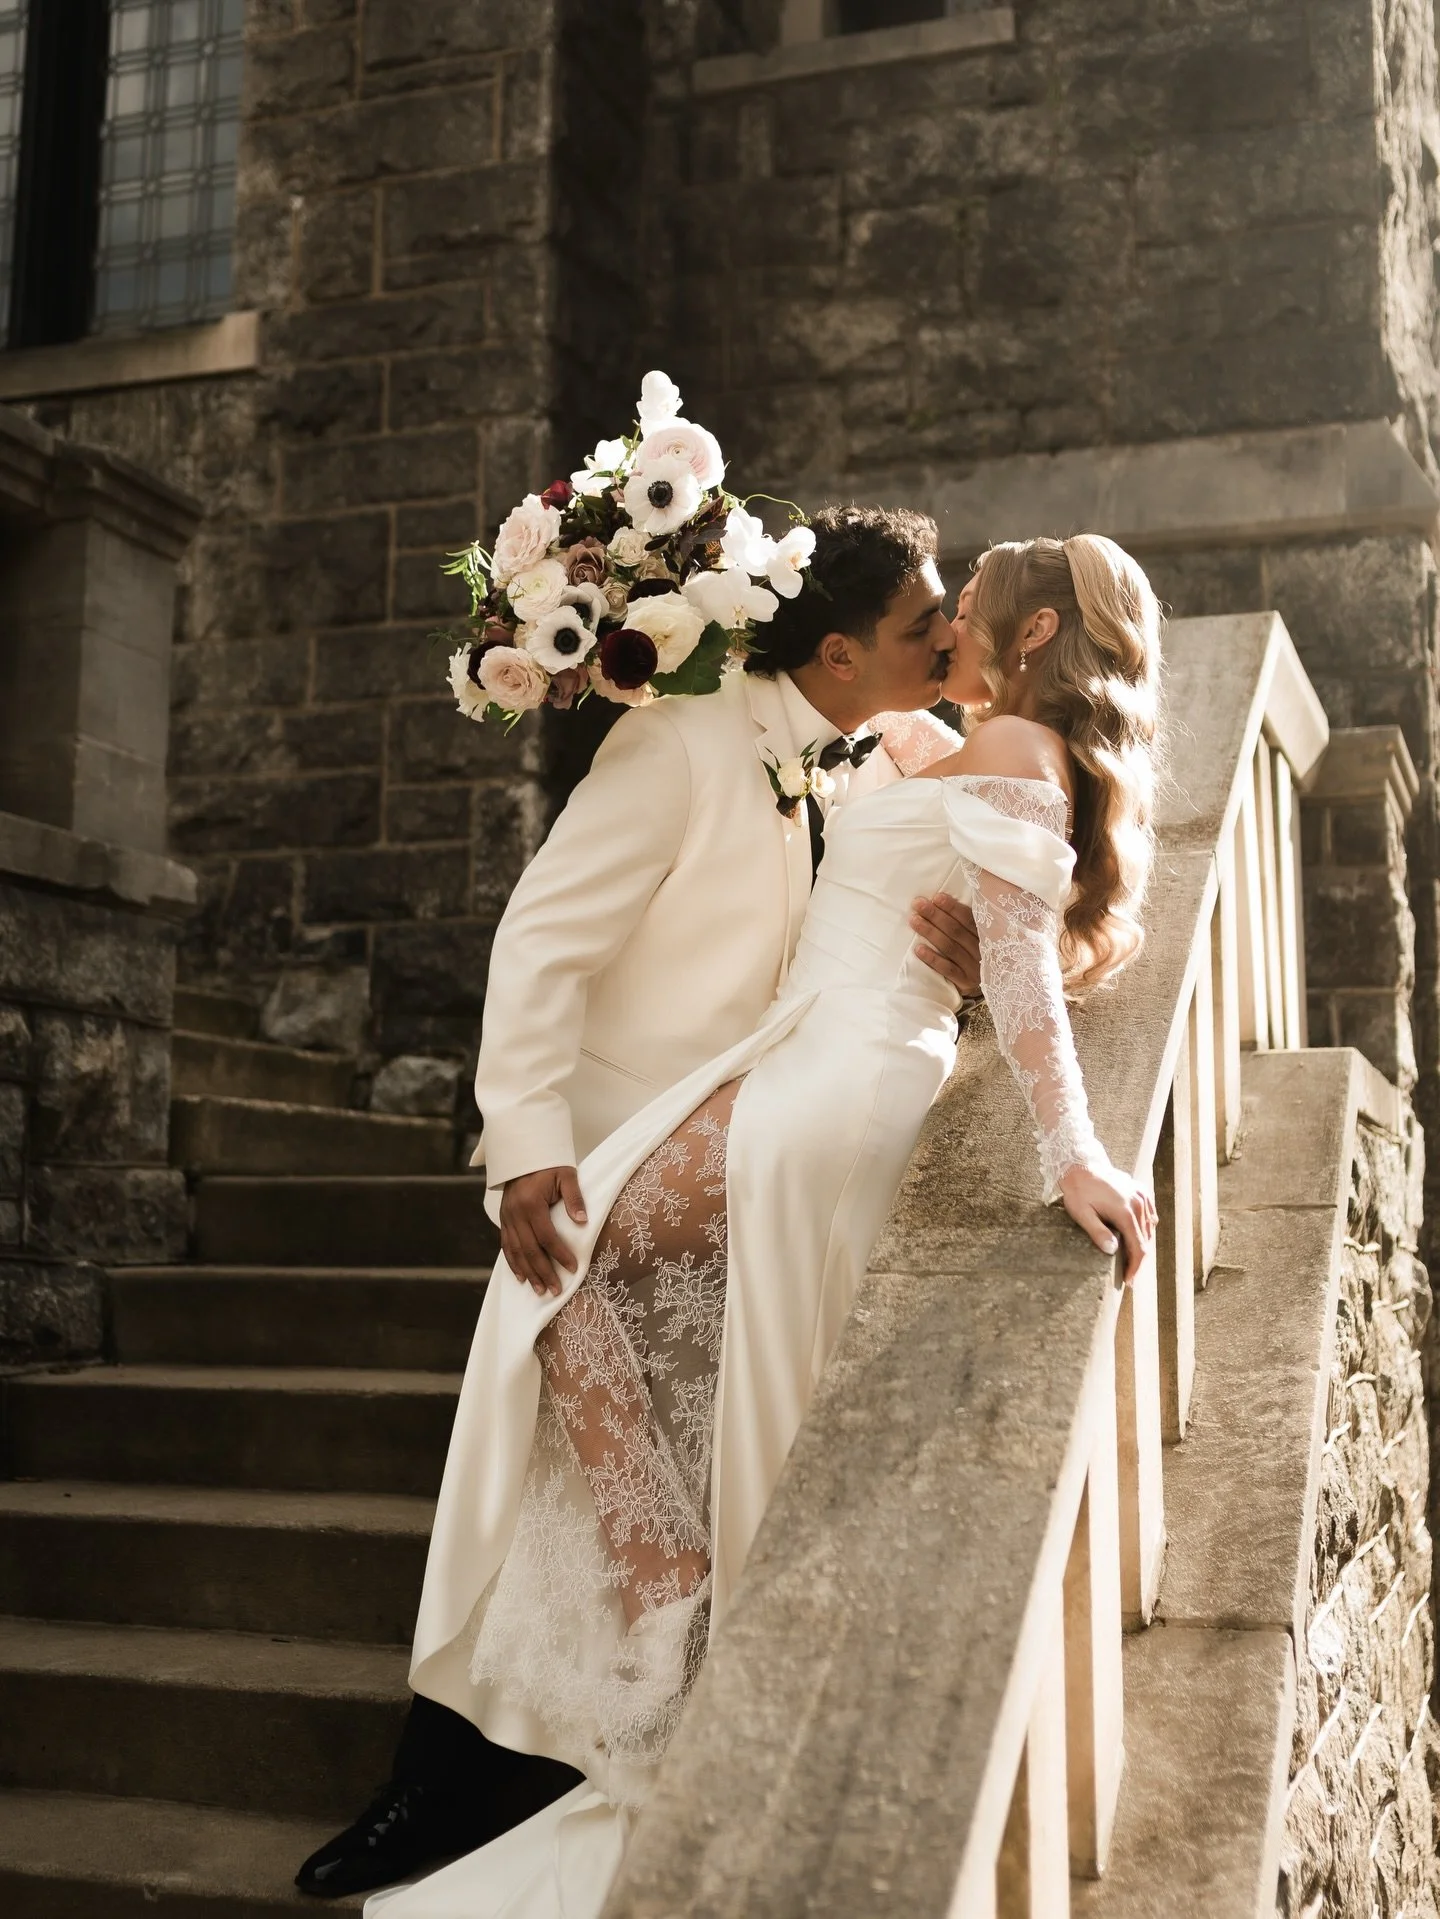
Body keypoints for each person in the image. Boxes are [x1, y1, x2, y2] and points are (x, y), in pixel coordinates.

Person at [348, 532, 1161, 1919]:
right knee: (621, 1304)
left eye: (968, 607)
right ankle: (663, 1597)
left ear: (1032, 637)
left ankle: (667, 1591)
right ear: (842, 651)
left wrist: (1074, 1148)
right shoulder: (922, 741)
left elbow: (1031, 961)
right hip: (807, 1064)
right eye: (930, 612)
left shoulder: (1012, 747)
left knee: (571, 1267)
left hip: (834, 1080)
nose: (951, 622)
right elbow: (964, 876)